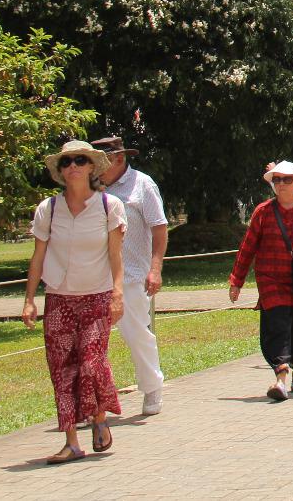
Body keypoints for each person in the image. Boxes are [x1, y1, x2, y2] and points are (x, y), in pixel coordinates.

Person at [22, 141, 127, 463]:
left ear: (92, 167)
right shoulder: (48, 209)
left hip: (96, 295)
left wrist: (117, 293)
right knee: (62, 370)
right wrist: (29, 299)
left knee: (91, 363)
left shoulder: (109, 206)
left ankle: (98, 415)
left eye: (80, 160)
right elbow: (38, 256)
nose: (73, 166)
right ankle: (71, 441)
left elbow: (115, 256)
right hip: (59, 298)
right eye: (67, 161)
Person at [229, 161, 293, 402]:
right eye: (276, 180)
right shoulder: (263, 212)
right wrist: (237, 280)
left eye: (286, 179)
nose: (281, 184)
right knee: (277, 326)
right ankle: (280, 376)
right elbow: (248, 247)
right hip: (271, 278)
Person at [90, 136, 167, 416]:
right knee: (91, 342)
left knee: (137, 335)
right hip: (94, 277)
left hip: (133, 275)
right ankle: (92, 403)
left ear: (119, 159)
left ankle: (151, 387)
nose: (95, 168)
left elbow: (159, 228)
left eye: (101, 162)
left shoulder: (142, 185)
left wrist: (155, 268)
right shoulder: (89, 188)